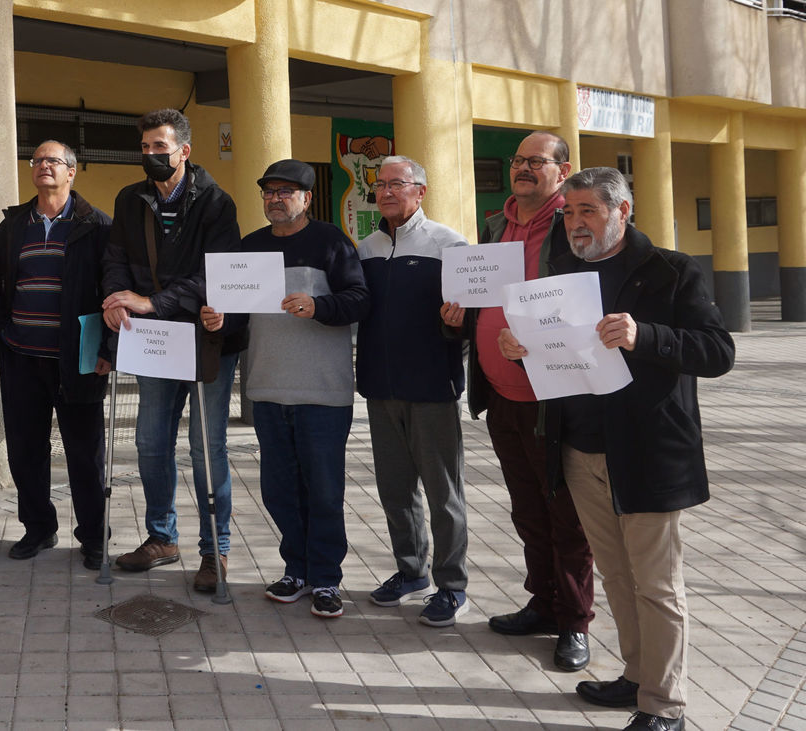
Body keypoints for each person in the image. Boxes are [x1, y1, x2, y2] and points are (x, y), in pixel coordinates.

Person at [500, 168, 734, 731]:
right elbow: (557, 352)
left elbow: (717, 352)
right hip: (579, 450)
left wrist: (643, 336)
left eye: (589, 212)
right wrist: (519, 348)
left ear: (622, 212)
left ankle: (665, 706)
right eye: (570, 213)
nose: (576, 224)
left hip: (647, 454)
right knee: (617, 578)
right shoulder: (562, 273)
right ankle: (636, 677)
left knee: (656, 586)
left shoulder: (672, 272)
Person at [441, 131, 595, 671]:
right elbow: (486, 297)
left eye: (537, 161)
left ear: (562, 168)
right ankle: (544, 604)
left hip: (555, 399)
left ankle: (575, 621)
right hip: (503, 396)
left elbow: (589, 300)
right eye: (519, 161)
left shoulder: (574, 222)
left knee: (567, 516)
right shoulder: (493, 225)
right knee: (528, 510)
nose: (524, 168)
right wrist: (461, 314)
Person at [202, 159, 368, 617]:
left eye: (286, 191)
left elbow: (359, 300)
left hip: (322, 392)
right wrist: (220, 318)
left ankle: (327, 579)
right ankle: (296, 568)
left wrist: (318, 305)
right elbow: (237, 310)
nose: (276, 198)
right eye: (269, 191)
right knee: (278, 490)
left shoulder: (331, 242)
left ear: (307, 198)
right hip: (268, 389)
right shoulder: (250, 247)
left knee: (323, 489)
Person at [101, 108, 243, 592]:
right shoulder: (129, 199)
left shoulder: (216, 203)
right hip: (153, 339)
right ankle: (161, 537)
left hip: (206, 339)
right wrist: (118, 300)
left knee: (207, 449)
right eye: (144, 148)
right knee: (150, 441)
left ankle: (214, 550)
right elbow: (116, 258)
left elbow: (216, 273)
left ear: (184, 150)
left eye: (160, 147)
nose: (151, 156)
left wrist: (152, 301)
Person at [0, 140, 112, 569]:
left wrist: (108, 350)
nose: (43, 167)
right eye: (37, 160)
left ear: (71, 171)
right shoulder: (14, 225)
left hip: (78, 360)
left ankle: (94, 536)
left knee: (85, 454)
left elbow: (113, 293)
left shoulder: (97, 226)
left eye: (52, 161)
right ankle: (38, 528)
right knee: (25, 450)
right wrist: (1, 332)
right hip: (21, 357)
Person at [356, 155, 470, 627]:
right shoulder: (364, 248)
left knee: (443, 493)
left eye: (396, 184)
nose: (385, 192)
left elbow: (471, 320)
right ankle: (410, 571)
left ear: (420, 191)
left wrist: (456, 329)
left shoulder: (450, 245)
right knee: (394, 490)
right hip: (381, 389)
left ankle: (451, 584)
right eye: (379, 184)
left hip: (432, 389)